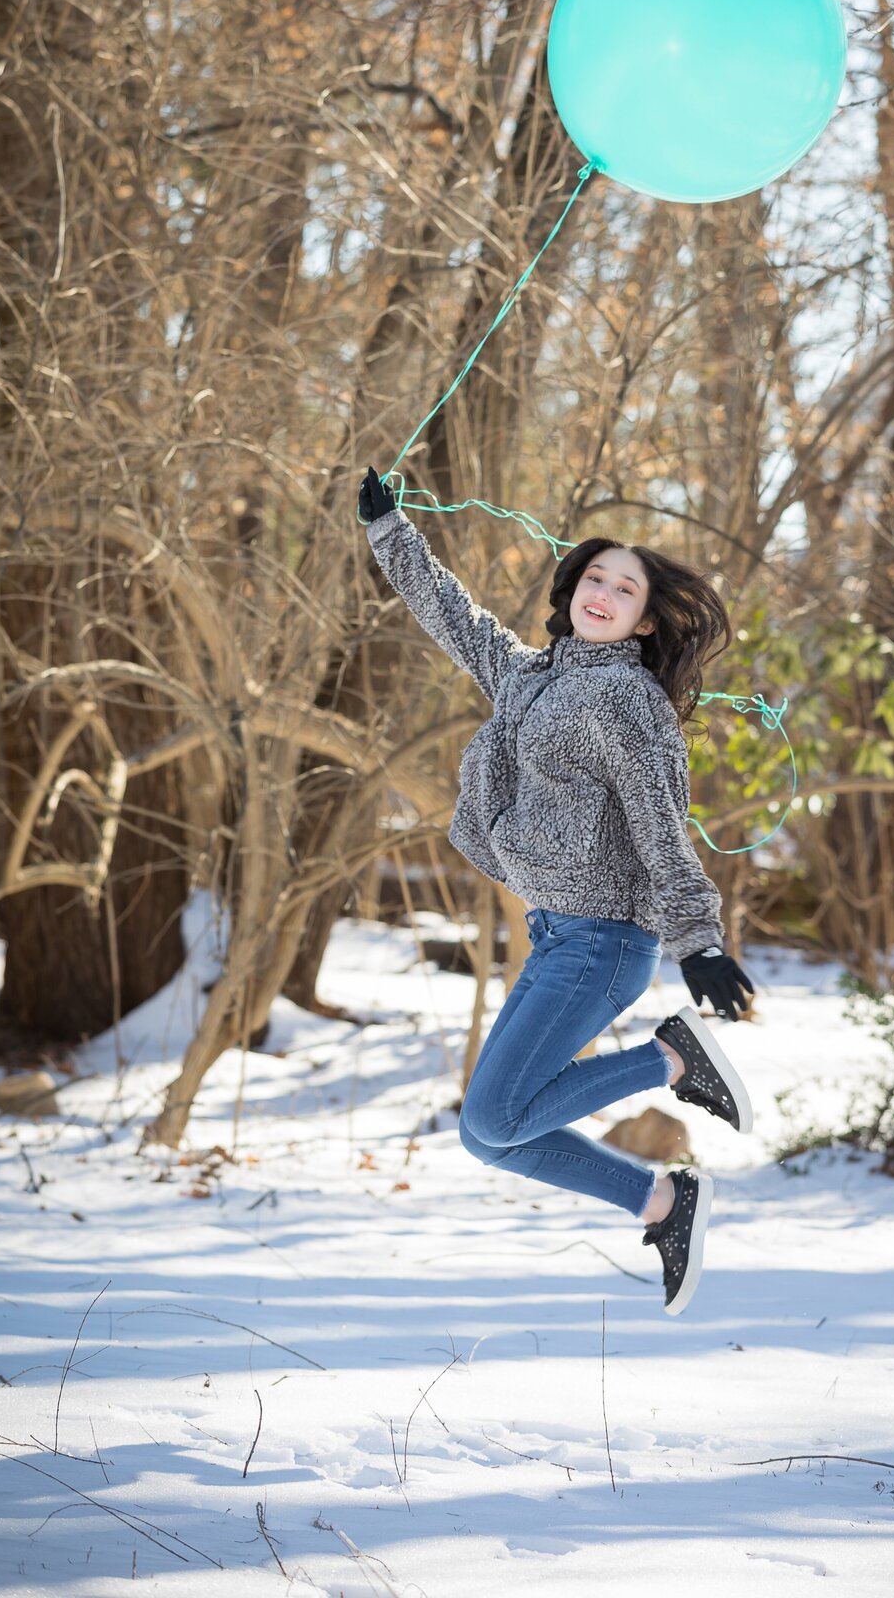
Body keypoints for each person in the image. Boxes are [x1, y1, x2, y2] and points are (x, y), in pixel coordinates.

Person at [357, 466, 755, 1318]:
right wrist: (389, 533)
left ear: (645, 618)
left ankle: (673, 1059)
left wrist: (701, 942)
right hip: (558, 938)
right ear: (573, 591)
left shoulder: (627, 702)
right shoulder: (535, 677)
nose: (603, 592)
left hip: (604, 942)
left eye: (625, 586)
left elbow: (660, 825)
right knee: (486, 1134)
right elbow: (455, 619)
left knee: (499, 1117)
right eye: (594, 578)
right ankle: (659, 1202)